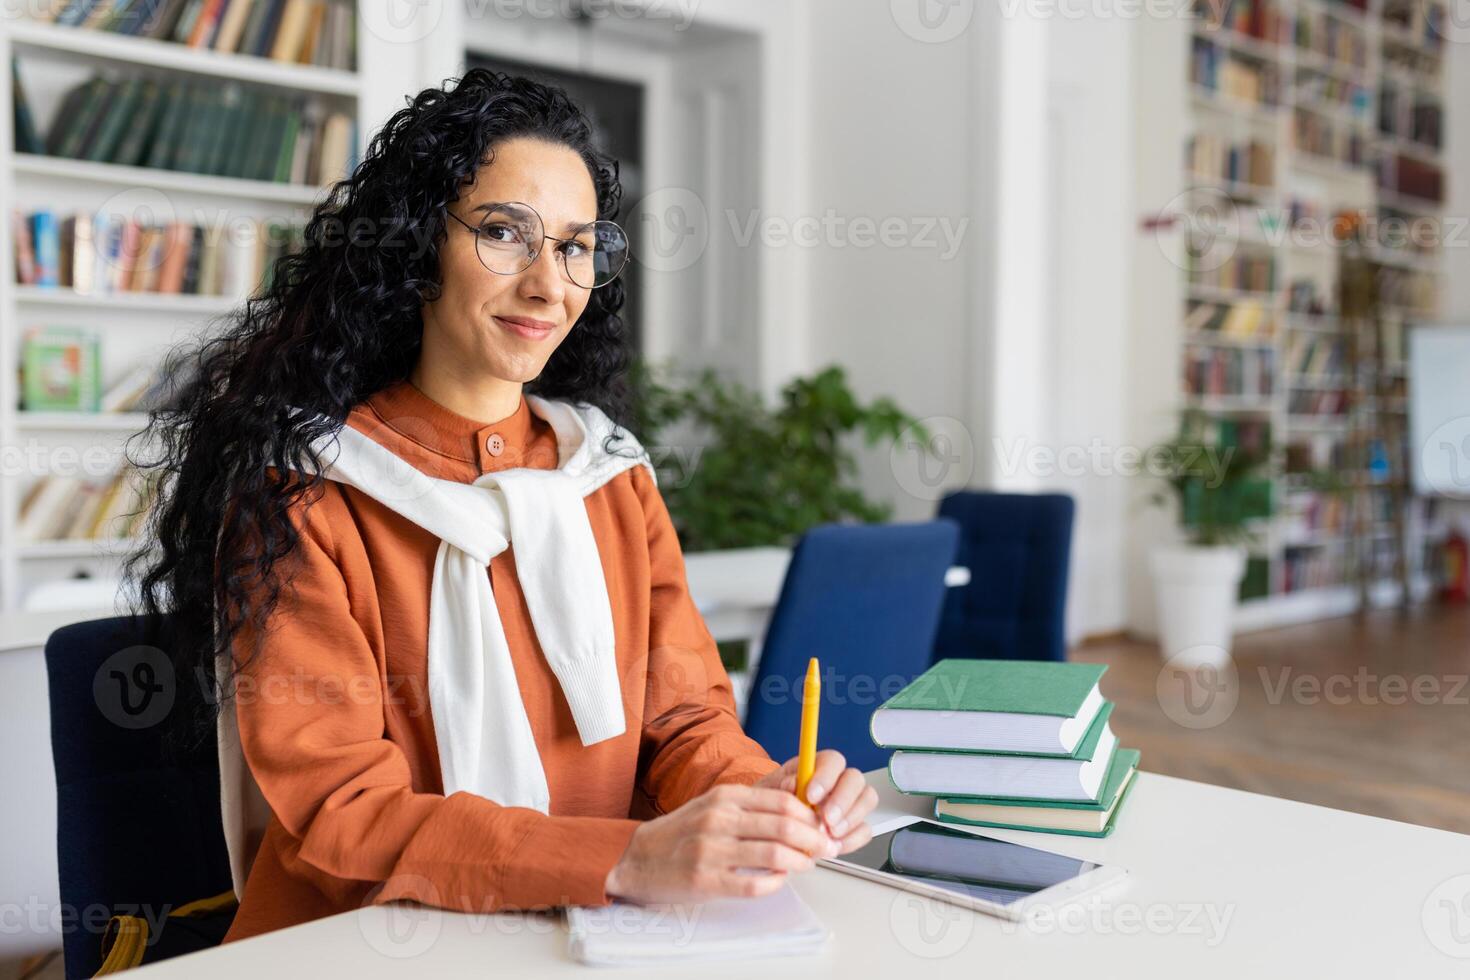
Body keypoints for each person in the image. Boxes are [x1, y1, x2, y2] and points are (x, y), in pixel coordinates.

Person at [125, 68, 876, 943]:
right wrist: (623, 860)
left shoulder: (609, 473)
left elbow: (683, 719)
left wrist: (754, 795)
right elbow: (343, 812)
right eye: (502, 234)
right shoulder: (309, 490)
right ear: (416, 248)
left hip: (597, 932)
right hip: (368, 941)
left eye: (574, 246)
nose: (547, 285)